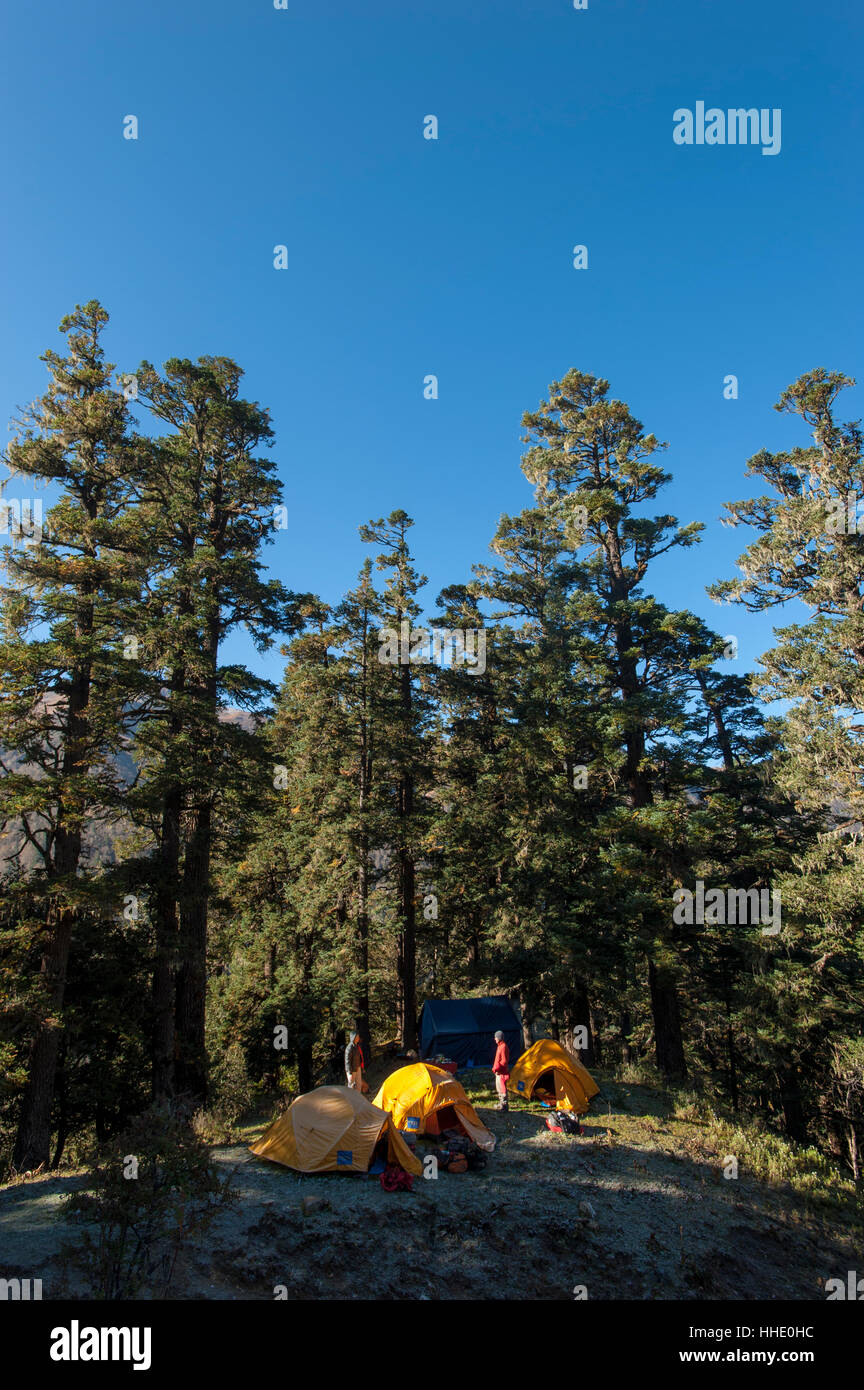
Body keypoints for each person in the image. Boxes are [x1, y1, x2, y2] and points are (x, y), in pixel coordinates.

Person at [492, 1030, 510, 1111]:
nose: (494, 1039)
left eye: (495, 1037)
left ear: (499, 1038)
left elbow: (504, 1061)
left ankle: (504, 1106)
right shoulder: (500, 1046)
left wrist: (497, 1068)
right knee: (499, 1088)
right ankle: (501, 1103)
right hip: (498, 1072)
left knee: (502, 1089)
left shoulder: (503, 1047)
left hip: (501, 1072)